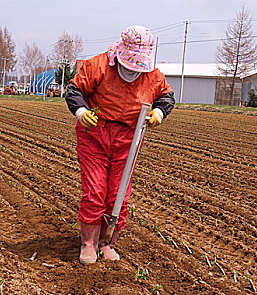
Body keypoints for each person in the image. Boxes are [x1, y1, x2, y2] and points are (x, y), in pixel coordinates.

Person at [65, 25, 175, 264]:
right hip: (95, 134)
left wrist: (158, 112)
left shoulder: (152, 76)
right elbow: (74, 89)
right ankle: (88, 243)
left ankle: (108, 242)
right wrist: (81, 111)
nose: (132, 70)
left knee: (118, 194)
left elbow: (166, 97)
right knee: (95, 191)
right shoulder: (100, 66)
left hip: (128, 138)